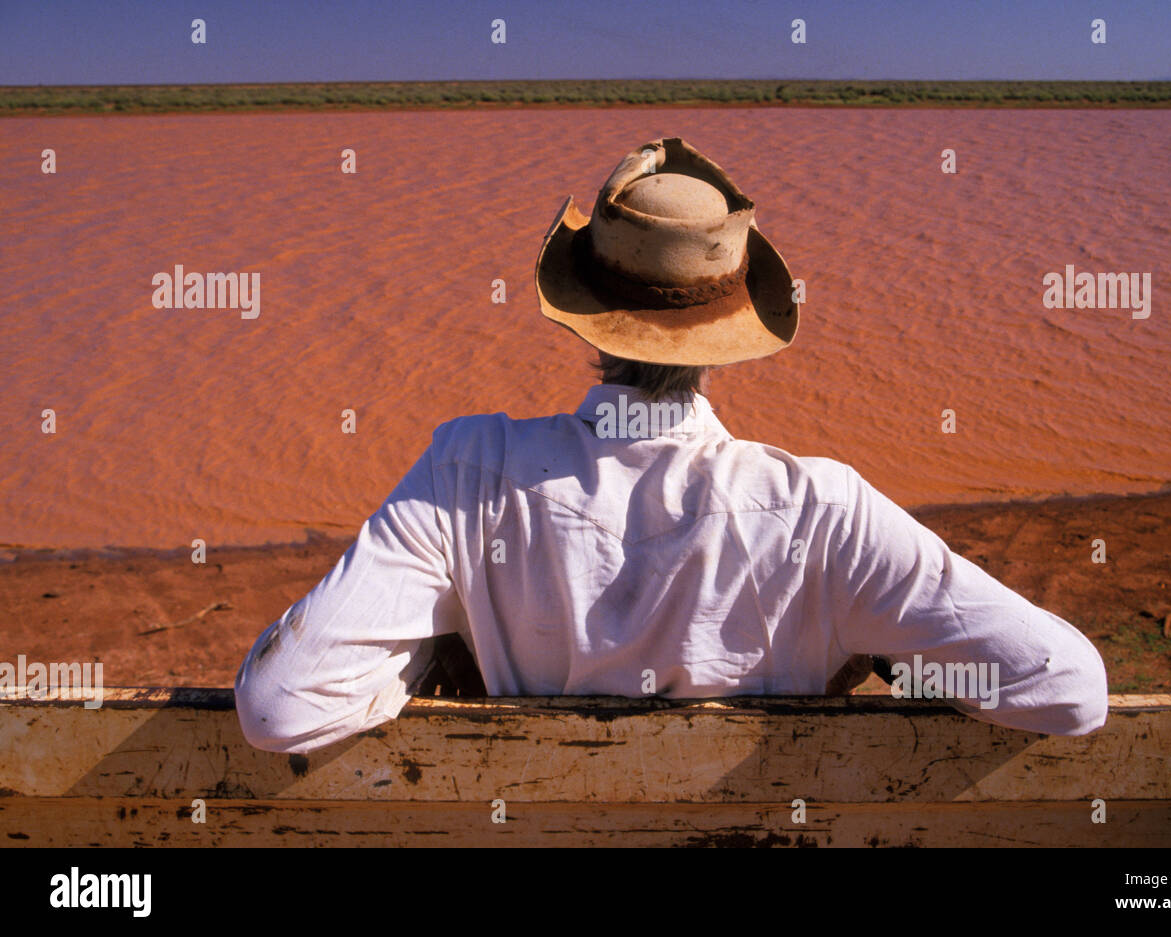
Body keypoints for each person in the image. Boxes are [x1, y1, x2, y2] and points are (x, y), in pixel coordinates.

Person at [234, 138, 1108, 754]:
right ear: (729, 326)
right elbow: (1068, 688)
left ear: (586, 315)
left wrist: (430, 664)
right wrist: (894, 659)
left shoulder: (467, 473)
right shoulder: (821, 513)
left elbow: (278, 709)